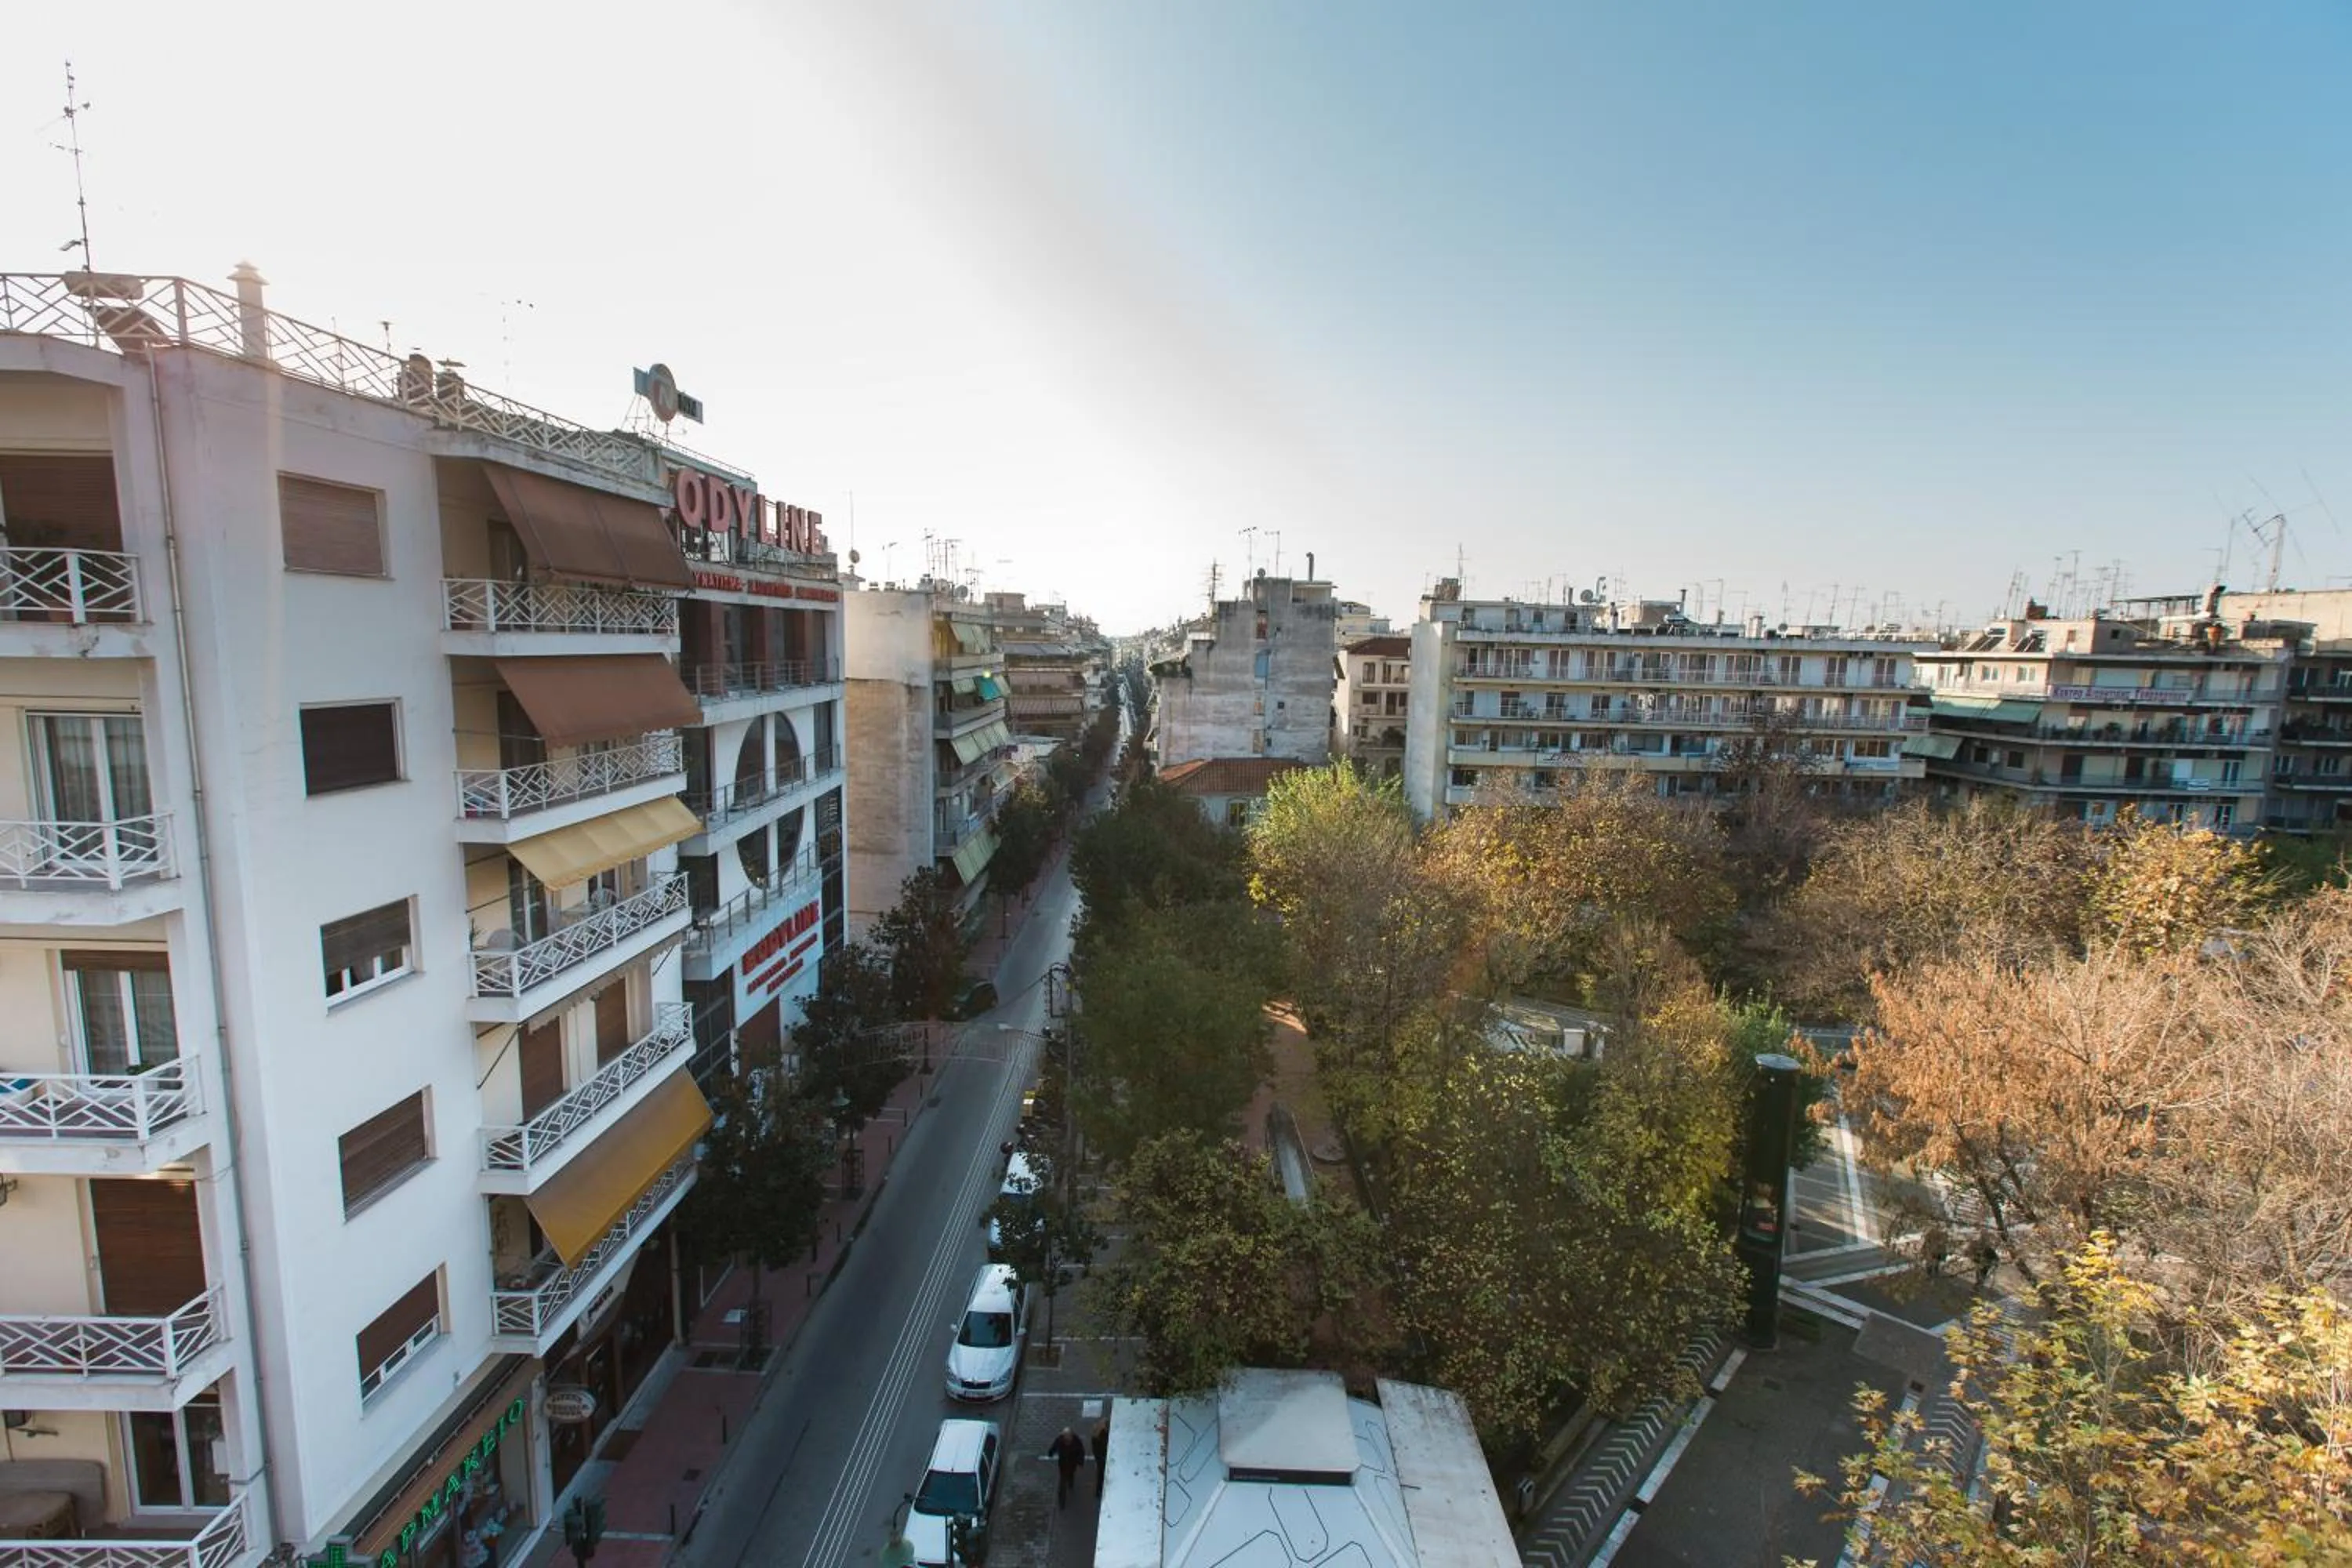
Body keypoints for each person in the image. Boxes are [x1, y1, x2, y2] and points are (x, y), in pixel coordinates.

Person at [1049, 1426, 1086, 1508]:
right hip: (1063, 1464)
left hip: (1072, 1463)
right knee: (1062, 1483)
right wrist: (1051, 1453)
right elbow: (1054, 1447)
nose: (1067, 1438)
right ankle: (1062, 1502)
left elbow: (1081, 1451)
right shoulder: (1060, 1440)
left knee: (1071, 1474)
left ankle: (1071, 1483)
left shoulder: (1076, 1441)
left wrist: (1080, 1462)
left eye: (1068, 1436)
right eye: (1065, 1436)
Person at [1091, 1419, 1109, 1496]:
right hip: (1101, 1456)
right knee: (1101, 1474)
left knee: (1100, 1474)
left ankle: (1099, 1491)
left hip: (1100, 1456)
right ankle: (1099, 1491)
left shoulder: (1098, 1435)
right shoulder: (1101, 1435)